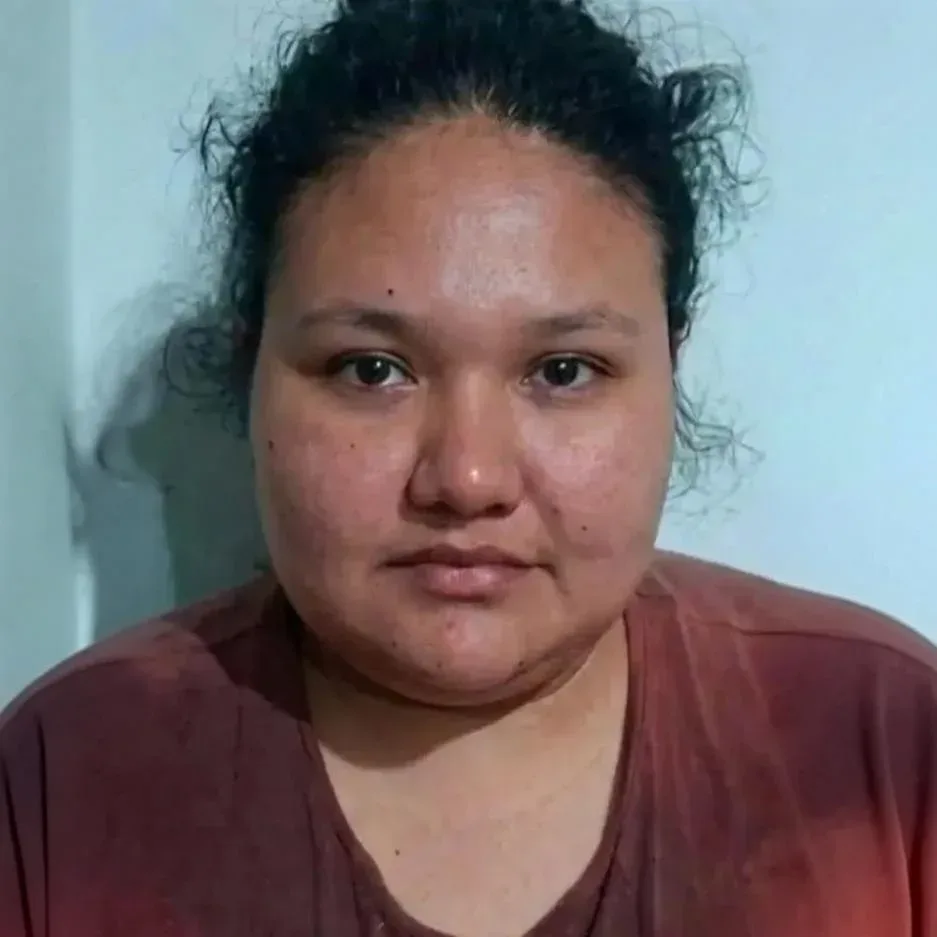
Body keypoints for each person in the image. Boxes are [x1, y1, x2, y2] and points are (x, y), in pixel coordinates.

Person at [1, 0, 934, 934]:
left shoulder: (880, 744)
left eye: (562, 371)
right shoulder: (70, 777)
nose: (467, 479)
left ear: (667, 368)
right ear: (253, 370)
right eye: (372, 370)